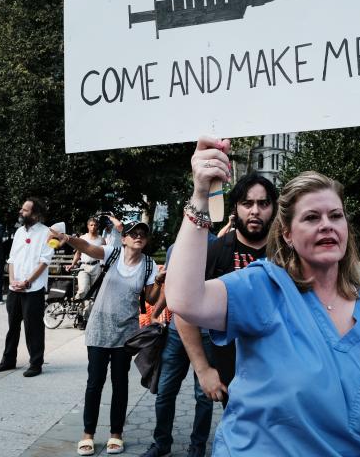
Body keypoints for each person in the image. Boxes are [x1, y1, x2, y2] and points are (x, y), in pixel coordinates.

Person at [167, 136, 360, 456]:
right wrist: (201, 194)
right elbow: (184, 299)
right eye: (311, 217)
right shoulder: (263, 288)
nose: (326, 225)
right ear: (287, 233)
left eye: (335, 215)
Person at [57, 221, 161, 456]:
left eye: (143, 234)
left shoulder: (149, 265)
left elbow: (152, 300)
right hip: (99, 328)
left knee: (120, 384)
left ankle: (116, 434)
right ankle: (88, 434)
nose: (138, 236)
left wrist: (159, 281)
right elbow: (87, 247)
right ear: (124, 238)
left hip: (126, 332)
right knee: (94, 383)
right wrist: (69, 239)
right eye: (133, 233)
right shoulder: (112, 252)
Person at [198, 172, 278, 399]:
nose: (255, 211)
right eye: (247, 203)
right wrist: (203, 370)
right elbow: (184, 312)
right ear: (235, 208)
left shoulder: (287, 255)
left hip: (280, 372)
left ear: (273, 208)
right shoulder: (217, 251)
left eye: (263, 204)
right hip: (233, 375)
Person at [141, 243, 217, 457]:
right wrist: (157, 311)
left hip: (207, 333)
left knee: (204, 395)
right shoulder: (175, 247)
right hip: (176, 332)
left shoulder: (217, 246)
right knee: (164, 391)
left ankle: (198, 446)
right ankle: (161, 443)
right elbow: (174, 286)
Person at [0, 197, 54, 378]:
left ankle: (36, 363)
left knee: (33, 328)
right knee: (12, 326)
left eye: (25, 210)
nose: (21, 212)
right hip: (15, 289)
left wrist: (27, 282)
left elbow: (44, 262)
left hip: (33, 289)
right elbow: (11, 259)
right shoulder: (19, 232)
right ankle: (8, 360)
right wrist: (12, 281)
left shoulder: (47, 233)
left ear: (35, 214)